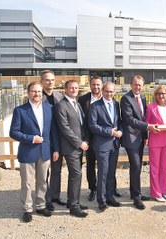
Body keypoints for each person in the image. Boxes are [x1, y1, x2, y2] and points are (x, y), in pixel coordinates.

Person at [9, 81, 59, 223]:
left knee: (43, 181)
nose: (37, 94)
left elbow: (53, 131)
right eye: (34, 91)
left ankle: (41, 205)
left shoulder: (49, 108)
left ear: (42, 93)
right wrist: (31, 138)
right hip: (28, 151)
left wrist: (55, 149)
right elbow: (13, 132)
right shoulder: (20, 110)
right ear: (28, 93)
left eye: (39, 91)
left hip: (45, 151)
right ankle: (27, 209)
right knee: (27, 183)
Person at [78, 76, 122, 201]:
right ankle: (94, 190)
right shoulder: (84, 100)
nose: (96, 87)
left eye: (98, 85)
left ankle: (111, 190)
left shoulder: (114, 103)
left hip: (109, 140)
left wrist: (118, 132)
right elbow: (84, 121)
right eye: (94, 84)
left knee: (110, 168)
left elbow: (117, 121)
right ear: (90, 85)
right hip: (90, 137)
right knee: (93, 165)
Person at [120, 75, 158, 210]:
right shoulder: (126, 99)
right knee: (135, 165)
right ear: (131, 85)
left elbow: (143, 117)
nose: (138, 87)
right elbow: (130, 119)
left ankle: (135, 192)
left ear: (143, 86)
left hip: (140, 137)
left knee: (138, 166)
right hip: (131, 138)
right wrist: (148, 127)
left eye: (140, 85)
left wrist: (145, 134)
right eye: (135, 84)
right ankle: (136, 197)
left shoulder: (142, 97)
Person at [55, 80, 89, 218]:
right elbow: (65, 128)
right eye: (71, 88)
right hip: (70, 147)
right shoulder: (61, 105)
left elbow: (82, 124)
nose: (74, 90)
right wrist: (79, 143)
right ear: (65, 90)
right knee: (76, 174)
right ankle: (74, 207)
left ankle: (72, 201)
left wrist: (86, 139)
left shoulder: (77, 104)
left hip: (80, 145)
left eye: (76, 88)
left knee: (74, 175)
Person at [88, 82, 122, 211]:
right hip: (101, 144)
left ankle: (110, 197)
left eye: (112, 92)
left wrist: (121, 131)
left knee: (111, 173)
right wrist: (110, 132)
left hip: (114, 144)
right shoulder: (95, 106)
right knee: (103, 172)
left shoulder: (116, 104)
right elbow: (92, 126)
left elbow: (119, 122)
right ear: (102, 91)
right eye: (107, 91)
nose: (109, 94)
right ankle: (101, 200)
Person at [40, 70, 66, 211]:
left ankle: (55, 196)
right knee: (44, 172)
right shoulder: (38, 97)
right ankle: (46, 199)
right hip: (44, 140)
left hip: (58, 140)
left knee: (57, 170)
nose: (50, 82)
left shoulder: (59, 96)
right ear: (42, 82)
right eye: (47, 80)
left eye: (52, 79)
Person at [145, 85, 166, 202]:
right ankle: (156, 192)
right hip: (155, 141)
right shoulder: (150, 107)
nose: (161, 96)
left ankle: (163, 190)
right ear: (155, 96)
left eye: (163, 93)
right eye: (159, 94)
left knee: (164, 168)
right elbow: (146, 123)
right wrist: (151, 127)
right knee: (155, 168)